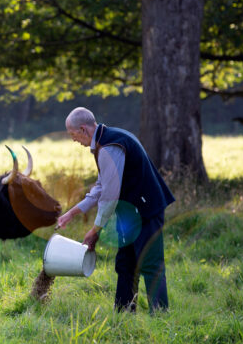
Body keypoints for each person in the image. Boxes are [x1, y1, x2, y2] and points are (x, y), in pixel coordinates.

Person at [57, 107, 174, 312]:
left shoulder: (110, 146)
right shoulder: (106, 139)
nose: (73, 140)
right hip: (130, 212)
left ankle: (161, 316)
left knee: (150, 264)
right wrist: (72, 213)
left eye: (73, 135)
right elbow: (101, 187)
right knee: (125, 263)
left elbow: (110, 195)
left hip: (146, 209)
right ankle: (123, 313)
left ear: (83, 129)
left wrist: (95, 230)